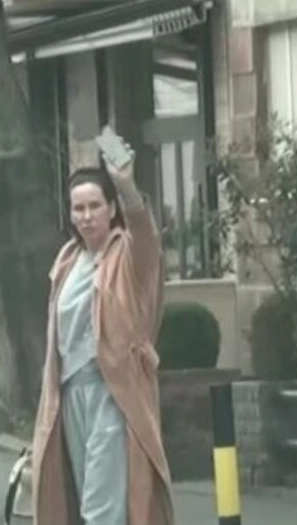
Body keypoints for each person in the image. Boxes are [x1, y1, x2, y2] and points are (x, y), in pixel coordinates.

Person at [29, 142, 174, 525]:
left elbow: (145, 233)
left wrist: (125, 185)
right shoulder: (67, 261)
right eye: (78, 208)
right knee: (78, 504)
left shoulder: (126, 253)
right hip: (69, 394)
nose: (86, 216)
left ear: (111, 209)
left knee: (101, 510)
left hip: (112, 393)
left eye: (95, 206)